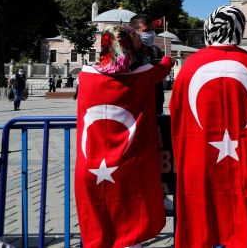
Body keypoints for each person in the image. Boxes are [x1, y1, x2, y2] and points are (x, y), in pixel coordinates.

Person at [169, 5, 247, 247]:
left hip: (199, 157)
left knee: (202, 213)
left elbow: (176, 108)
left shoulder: (191, 65)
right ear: (238, 30)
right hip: (241, 156)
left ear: (209, 29)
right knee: (240, 212)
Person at [75, 25, 174, 248]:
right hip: (129, 170)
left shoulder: (86, 76)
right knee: (129, 235)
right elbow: (166, 64)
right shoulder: (144, 75)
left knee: (98, 234)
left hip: (91, 169)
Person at [130, 14, 165, 116]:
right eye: (146, 31)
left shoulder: (156, 50)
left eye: (152, 30)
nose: (151, 34)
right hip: (136, 109)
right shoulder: (128, 53)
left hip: (156, 107)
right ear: (133, 32)